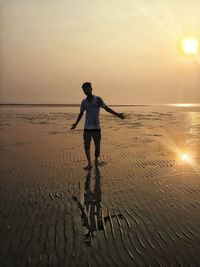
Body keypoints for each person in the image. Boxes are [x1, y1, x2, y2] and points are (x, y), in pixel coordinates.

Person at [71, 82, 125, 170]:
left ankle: (96, 159)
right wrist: (76, 124)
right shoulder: (83, 102)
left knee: (97, 147)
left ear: (91, 89)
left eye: (87, 88)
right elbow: (81, 113)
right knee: (86, 146)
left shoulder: (98, 99)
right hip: (87, 128)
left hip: (96, 128)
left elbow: (107, 108)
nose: (86, 91)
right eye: (84, 90)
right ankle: (89, 163)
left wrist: (118, 115)